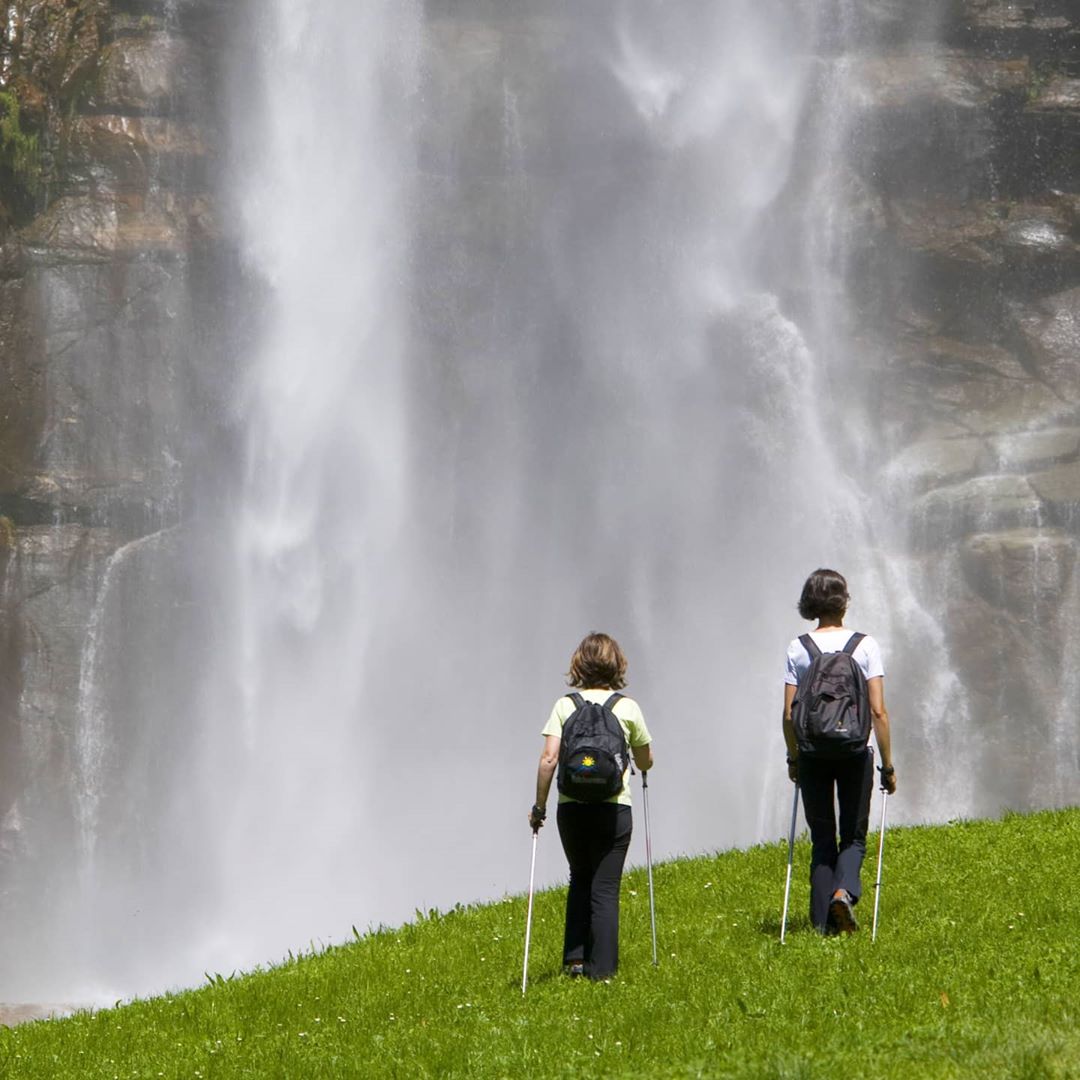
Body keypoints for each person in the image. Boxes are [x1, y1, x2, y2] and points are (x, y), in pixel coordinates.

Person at [528, 632, 653, 979]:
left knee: (579, 877)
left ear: (579, 664)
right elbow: (645, 759)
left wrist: (539, 807)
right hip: (614, 809)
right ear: (616, 664)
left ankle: (575, 960)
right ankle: (603, 971)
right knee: (606, 887)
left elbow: (549, 760)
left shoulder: (564, 706)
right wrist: (642, 762)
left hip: (572, 808)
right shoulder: (627, 707)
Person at [782, 569, 896, 935]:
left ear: (809, 603)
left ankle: (822, 927)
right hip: (855, 751)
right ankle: (844, 893)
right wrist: (888, 765)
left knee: (821, 839)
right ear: (844, 600)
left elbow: (788, 713)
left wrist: (794, 757)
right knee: (854, 836)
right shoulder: (865, 645)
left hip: (813, 753)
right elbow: (878, 711)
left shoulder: (798, 647)